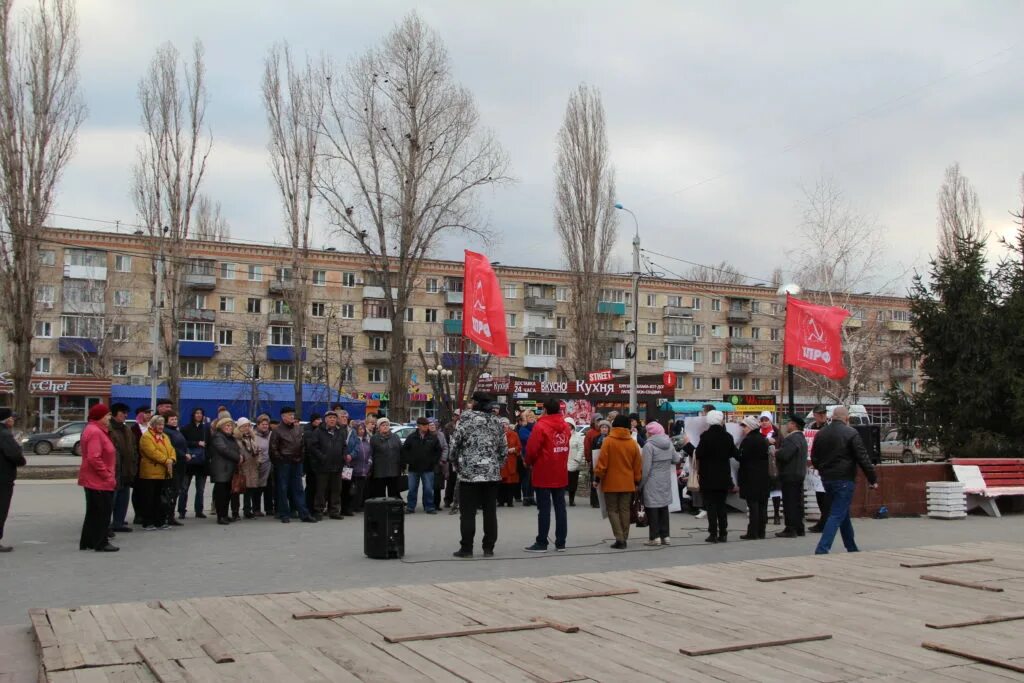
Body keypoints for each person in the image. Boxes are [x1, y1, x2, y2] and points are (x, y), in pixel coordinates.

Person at [812, 406, 878, 554]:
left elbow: (815, 457)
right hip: (844, 479)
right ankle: (822, 549)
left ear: (832, 417)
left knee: (843, 512)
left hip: (826, 479)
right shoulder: (851, 433)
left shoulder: (821, 433)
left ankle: (851, 547)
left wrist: (823, 470)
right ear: (846, 419)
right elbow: (863, 457)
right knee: (836, 514)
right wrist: (872, 479)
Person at [450, 393, 506, 558]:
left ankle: (466, 548)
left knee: (467, 513)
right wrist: (497, 466)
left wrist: (456, 463)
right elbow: (503, 448)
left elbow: (454, 445)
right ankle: (488, 548)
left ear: (474, 403)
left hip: (469, 475)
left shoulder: (465, 420)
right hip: (491, 475)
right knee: (490, 512)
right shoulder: (496, 422)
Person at [523, 399, 572, 553]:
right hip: (560, 471)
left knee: (544, 509)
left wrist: (528, 462)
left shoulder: (541, 426)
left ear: (545, 409)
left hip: (544, 471)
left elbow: (532, 449)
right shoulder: (565, 426)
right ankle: (561, 542)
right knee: (560, 508)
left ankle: (542, 542)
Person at [594, 415, 643, 549]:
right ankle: (624, 537)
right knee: (625, 510)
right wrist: (637, 481)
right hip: (628, 483)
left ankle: (619, 538)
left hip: (611, 483)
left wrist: (597, 478)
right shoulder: (633, 443)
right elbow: (637, 465)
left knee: (612, 510)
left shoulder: (608, 441)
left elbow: (602, 464)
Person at [77, 404, 118, 552]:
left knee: (93, 512)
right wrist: (107, 475)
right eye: (107, 415)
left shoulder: (95, 430)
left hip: (93, 479)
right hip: (98, 481)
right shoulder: (95, 432)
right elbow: (94, 458)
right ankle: (101, 542)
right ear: (99, 417)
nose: (109, 418)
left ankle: (88, 541)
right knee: (102, 513)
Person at [696, 410, 738, 543]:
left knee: (711, 506)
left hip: (707, 477)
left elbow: (699, 454)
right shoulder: (727, 436)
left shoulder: (705, 436)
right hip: (723, 476)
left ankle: (713, 533)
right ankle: (723, 533)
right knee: (721, 505)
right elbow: (733, 453)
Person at [270, 407, 316, 523]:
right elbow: (273, 449)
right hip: (283, 463)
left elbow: (302, 445)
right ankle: (284, 513)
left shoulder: (298, 429)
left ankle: (303, 513)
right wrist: (280, 460)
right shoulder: (277, 430)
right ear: (283, 416)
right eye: (289, 415)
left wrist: (301, 457)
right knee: (283, 489)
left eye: (293, 415)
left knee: (298, 488)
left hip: (297, 463)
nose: (292, 417)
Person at [640, 421, 681, 546]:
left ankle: (654, 537)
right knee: (663, 507)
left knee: (652, 508)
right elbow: (676, 459)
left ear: (651, 433)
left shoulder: (649, 446)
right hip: (665, 480)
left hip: (652, 480)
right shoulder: (668, 443)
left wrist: (640, 484)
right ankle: (666, 536)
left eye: (647, 431)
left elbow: (646, 468)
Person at [138, 415, 176, 531]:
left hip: (164, 472)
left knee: (160, 498)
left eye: (162, 425)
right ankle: (148, 521)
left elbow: (171, 449)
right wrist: (166, 460)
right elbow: (151, 452)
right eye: (159, 425)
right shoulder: (147, 437)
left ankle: (160, 520)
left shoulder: (165, 436)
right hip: (150, 473)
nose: (161, 427)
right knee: (149, 498)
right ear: (153, 425)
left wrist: (172, 459)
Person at [309, 411, 349, 520]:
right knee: (321, 490)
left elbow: (344, 446)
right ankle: (319, 511)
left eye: (334, 418)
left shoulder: (340, 432)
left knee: (336, 490)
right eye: (330, 417)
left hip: (337, 465)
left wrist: (344, 455)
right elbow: (313, 447)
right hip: (323, 466)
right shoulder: (318, 431)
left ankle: (334, 511)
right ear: (325, 419)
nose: (332, 420)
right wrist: (322, 457)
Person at [737, 416, 771, 540]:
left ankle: (753, 532)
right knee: (762, 505)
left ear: (750, 427)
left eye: (744, 426)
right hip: (763, 476)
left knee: (753, 505)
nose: (743, 429)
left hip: (750, 476)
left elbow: (742, 457)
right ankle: (761, 531)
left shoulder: (748, 440)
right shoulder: (763, 439)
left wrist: (736, 453)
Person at [775, 415, 809, 538]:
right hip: (799, 474)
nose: (787, 425)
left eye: (789, 423)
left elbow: (784, 455)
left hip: (790, 474)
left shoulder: (791, 439)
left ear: (794, 425)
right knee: (798, 502)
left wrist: (776, 452)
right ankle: (799, 527)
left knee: (790, 502)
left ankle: (790, 528)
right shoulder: (801, 438)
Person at [107, 403, 137, 533]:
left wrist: (134, 464)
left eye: (126, 413)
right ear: (114, 413)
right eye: (122, 413)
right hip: (114, 471)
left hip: (127, 470)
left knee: (123, 499)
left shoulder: (126, 429)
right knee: (111, 500)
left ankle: (118, 523)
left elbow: (133, 448)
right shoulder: (109, 429)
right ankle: (106, 525)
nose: (125, 415)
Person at [401, 417, 442, 514]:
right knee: (412, 489)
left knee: (428, 489)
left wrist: (433, 461)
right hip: (414, 468)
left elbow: (438, 451)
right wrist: (409, 460)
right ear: (419, 426)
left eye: (427, 425)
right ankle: (410, 507)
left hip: (428, 468)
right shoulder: (411, 437)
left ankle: (429, 507)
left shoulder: (433, 437)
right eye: (424, 425)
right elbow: (404, 450)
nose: (426, 427)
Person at [0, 408, 27, 552]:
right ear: (7, 420)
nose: (13, 420)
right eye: (12, 418)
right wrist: (21, 457)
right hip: (3, 478)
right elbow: (15, 455)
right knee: (1, 508)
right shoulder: (5, 435)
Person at [207, 416, 241, 525]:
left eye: (231, 425)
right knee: (221, 494)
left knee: (227, 494)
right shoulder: (218, 436)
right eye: (227, 425)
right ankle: (220, 516)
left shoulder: (230, 437)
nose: (229, 427)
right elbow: (224, 450)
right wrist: (238, 457)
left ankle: (225, 515)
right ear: (221, 426)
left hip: (229, 469)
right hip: (221, 470)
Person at [179, 408, 210, 519]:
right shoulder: (186, 428)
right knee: (184, 488)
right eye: (197, 413)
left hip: (201, 462)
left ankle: (199, 510)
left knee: (200, 489)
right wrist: (197, 443)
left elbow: (210, 444)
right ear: (193, 415)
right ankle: (182, 511)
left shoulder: (206, 429)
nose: (199, 415)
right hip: (189, 462)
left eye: (201, 413)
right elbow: (182, 442)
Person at [807, 404, 831, 533]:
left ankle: (825, 522)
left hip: (826, 466)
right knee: (819, 496)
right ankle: (824, 521)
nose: (822, 416)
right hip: (815, 466)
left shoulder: (828, 428)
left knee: (825, 496)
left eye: (824, 413)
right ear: (815, 415)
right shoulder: (812, 427)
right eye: (820, 414)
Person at [162, 411, 187, 527]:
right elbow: (171, 448)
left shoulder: (176, 431)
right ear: (167, 421)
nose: (174, 421)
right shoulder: (166, 432)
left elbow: (182, 445)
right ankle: (167, 516)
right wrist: (183, 454)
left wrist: (187, 453)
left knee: (176, 491)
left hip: (181, 464)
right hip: (173, 464)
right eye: (171, 419)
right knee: (171, 491)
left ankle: (171, 515)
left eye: (175, 419)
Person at [369, 417, 404, 498]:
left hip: (394, 470)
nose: (385, 427)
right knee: (380, 494)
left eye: (387, 425)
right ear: (378, 427)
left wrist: (402, 464)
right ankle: (381, 509)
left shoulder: (395, 437)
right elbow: (371, 454)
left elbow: (401, 451)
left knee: (394, 493)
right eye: (383, 425)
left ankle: (393, 509)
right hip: (379, 471)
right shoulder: (374, 438)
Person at [236, 418, 263, 518]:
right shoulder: (237, 439)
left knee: (249, 489)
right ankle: (236, 510)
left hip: (252, 466)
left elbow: (257, 450)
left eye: (248, 426)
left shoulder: (252, 438)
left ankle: (247, 509)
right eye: (244, 426)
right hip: (242, 466)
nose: (246, 428)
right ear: (239, 428)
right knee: (238, 489)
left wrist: (258, 459)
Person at [130, 405, 152, 524]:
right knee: (138, 490)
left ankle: (147, 512)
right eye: (146, 412)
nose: (149, 415)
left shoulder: (152, 427)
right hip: (139, 463)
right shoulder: (134, 429)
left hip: (152, 464)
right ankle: (138, 514)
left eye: (149, 413)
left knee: (148, 490)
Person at [345, 421, 372, 514]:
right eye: (360, 429)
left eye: (363, 429)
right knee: (352, 489)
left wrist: (369, 462)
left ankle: (359, 505)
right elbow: (349, 451)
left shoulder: (366, 440)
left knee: (361, 489)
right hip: (353, 468)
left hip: (364, 468)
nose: (362, 431)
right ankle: (351, 506)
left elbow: (369, 453)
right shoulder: (352, 440)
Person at [253, 415, 274, 516]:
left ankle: (269, 508)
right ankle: (256, 508)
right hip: (259, 465)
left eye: (266, 424)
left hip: (270, 465)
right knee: (258, 488)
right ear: (258, 425)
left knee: (269, 488)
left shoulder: (271, 434)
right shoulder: (254, 435)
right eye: (263, 424)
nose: (265, 426)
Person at [498, 418, 521, 507]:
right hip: (501, 461)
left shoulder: (514, 434)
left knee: (510, 482)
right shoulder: (497, 435)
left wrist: (514, 449)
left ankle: (510, 501)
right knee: (501, 481)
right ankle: (500, 501)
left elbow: (519, 446)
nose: (504, 426)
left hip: (511, 460)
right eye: (503, 424)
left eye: (506, 424)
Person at [516, 410, 536, 506]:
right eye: (529, 417)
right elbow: (527, 439)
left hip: (535, 456)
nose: (532, 418)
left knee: (532, 478)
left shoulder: (535, 428)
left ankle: (531, 497)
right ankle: (526, 497)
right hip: (525, 455)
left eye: (533, 417)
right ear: (526, 419)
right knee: (526, 478)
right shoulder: (522, 429)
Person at [566, 418, 586, 507]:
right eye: (566, 424)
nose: (567, 426)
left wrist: (577, 459)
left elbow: (581, 448)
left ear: (572, 426)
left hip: (574, 461)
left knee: (573, 482)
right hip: (563, 462)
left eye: (569, 425)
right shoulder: (560, 435)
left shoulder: (578, 436)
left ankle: (571, 499)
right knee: (563, 482)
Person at [429, 419, 448, 510]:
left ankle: (437, 504)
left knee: (437, 486)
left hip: (439, 463)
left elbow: (445, 448)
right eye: (430, 425)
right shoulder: (426, 435)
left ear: (436, 426)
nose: (432, 426)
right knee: (428, 485)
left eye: (433, 425)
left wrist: (443, 459)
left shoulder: (441, 435)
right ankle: (428, 504)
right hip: (428, 464)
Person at [583, 418, 601, 508]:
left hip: (602, 460)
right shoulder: (590, 433)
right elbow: (587, 447)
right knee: (594, 480)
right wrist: (588, 459)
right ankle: (594, 501)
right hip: (593, 460)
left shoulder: (604, 433)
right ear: (594, 422)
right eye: (597, 421)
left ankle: (600, 501)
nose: (599, 423)